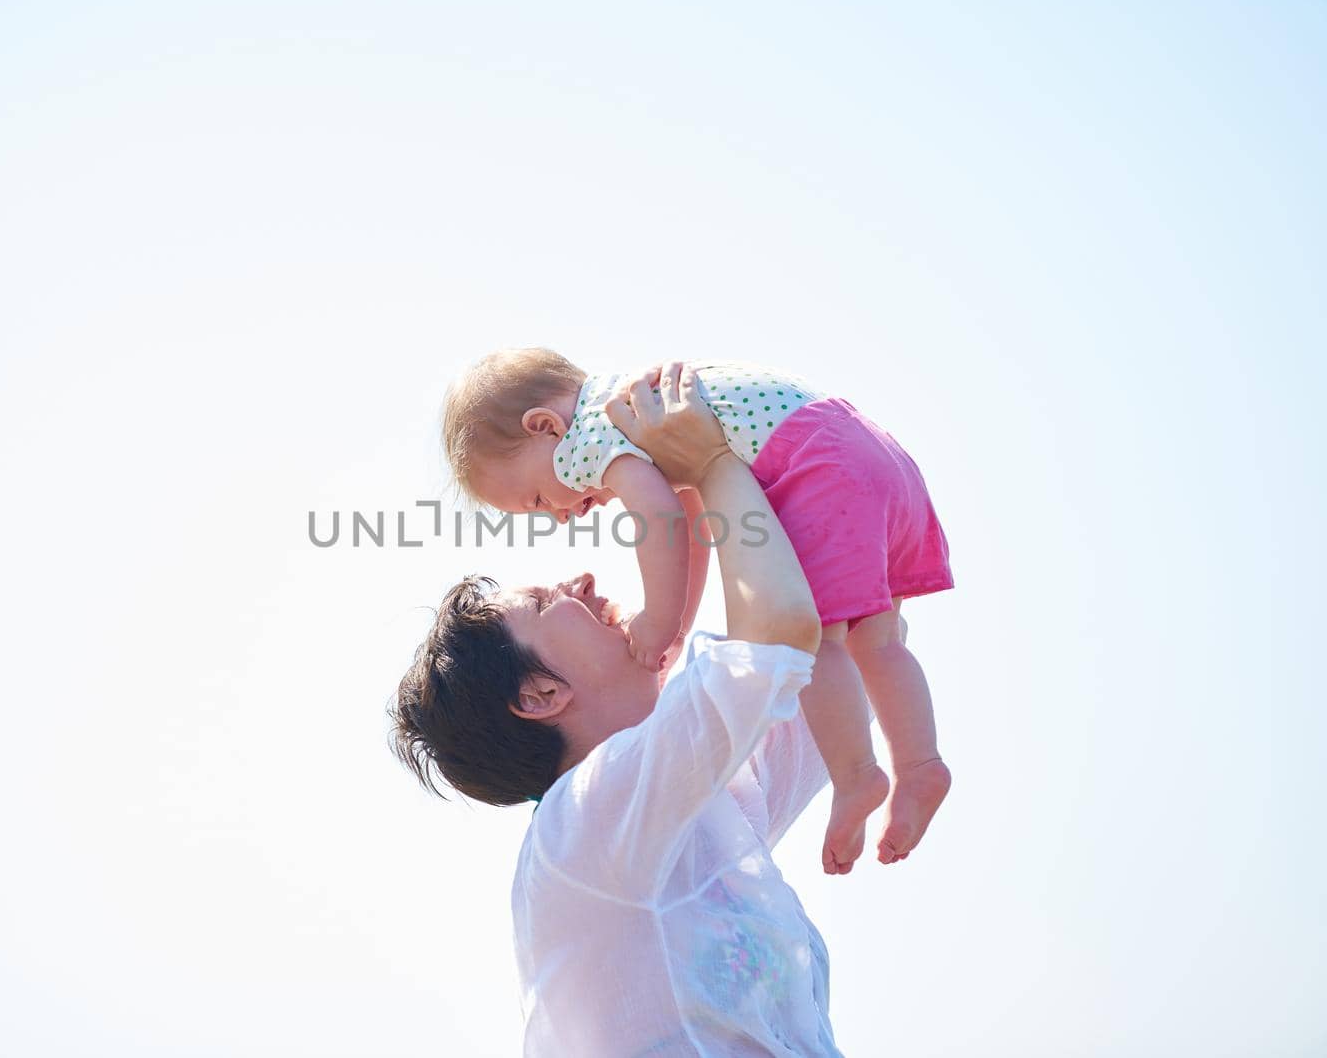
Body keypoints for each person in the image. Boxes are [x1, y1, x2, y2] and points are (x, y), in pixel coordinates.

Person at [391, 365, 847, 1055]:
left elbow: (833, 643)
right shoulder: (585, 825)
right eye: (546, 603)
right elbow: (783, 630)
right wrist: (713, 462)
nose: (584, 578)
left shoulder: (699, 810)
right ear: (539, 696)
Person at [440, 350, 953, 873]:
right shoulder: (640, 413)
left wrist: (658, 621)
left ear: (546, 427)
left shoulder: (594, 436)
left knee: (824, 642)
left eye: (537, 500)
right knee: (879, 642)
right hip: (865, 448)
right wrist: (677, 628)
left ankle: (858, 775)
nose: (560, 515)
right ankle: (919, 764)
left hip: (815, 464)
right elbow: (691, 510)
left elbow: (658, 518)